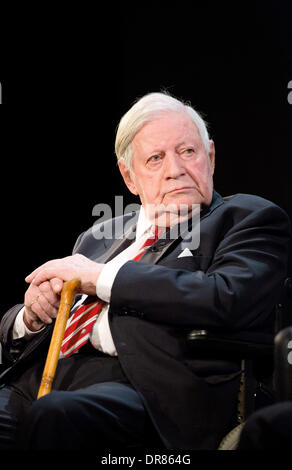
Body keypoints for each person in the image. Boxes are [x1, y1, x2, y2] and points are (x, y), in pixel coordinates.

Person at [0, 92, 290, 451]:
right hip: (33, 382)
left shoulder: (246, 218)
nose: (175, 169)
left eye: (188, 151)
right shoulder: (98, 237)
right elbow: (35, 323)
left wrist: (102, 278)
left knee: (58, 415)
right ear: (130, 177)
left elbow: (226, 296)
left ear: (210, 157)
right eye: (156, 158)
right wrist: (31, 316)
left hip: (148, 391)